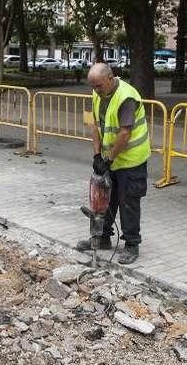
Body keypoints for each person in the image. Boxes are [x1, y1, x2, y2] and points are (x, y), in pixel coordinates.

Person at [76, 63, 150, 264]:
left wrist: (108, 159)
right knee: (104, 200)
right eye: (92, 87)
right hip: (110, 158)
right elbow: (95, 125)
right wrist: (97, 155)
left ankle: (132, 244)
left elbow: (125, 133)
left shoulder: (126, 96)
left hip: (130, 160)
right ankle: (102, 238)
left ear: (110, 78)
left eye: (98, 86)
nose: (95, 90)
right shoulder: (97, 93)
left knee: (128, 202)